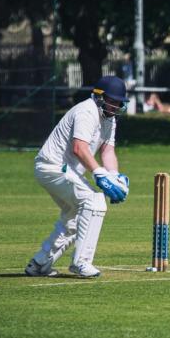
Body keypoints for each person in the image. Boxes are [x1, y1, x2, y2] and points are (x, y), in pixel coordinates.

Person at [25, 75, 130, 278]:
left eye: (119, 103)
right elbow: (79, 148)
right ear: (100, 97)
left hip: (65, 170)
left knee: (75, 219)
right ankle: (81, 263)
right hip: (52, 166)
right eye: (113, 101)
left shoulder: (109, 118)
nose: (116, 106)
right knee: (95, 202)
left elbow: (107, 151)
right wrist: (100, 175)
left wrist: (114, 176)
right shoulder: (86, 111)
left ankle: (39, 264)